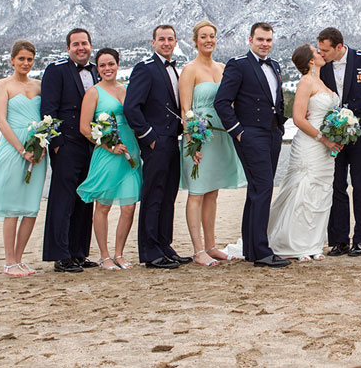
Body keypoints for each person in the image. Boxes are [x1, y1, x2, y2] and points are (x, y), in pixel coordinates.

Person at [214, 22, 289, 268]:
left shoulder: (275, 65)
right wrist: (238, 133)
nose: (265, 44)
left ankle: (251, 248)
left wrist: (280, 128)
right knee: (264, 187)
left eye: (268, 40)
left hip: (273, 134)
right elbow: (222, 102)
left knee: (258, 190)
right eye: (260, 39)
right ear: (250, 40)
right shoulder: (238, 65)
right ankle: (262, 251)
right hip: (251, 134)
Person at [0, 40, 46, 276]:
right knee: (13, 207)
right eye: (21, 59)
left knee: (31, 207)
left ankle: (20, 258)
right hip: (14, 150)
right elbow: (1, 121)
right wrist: (21, 149)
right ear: (12, 60)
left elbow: (47, 117)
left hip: (37, 153)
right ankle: (9, 261)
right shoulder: (3, 85)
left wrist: (41, 145)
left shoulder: (38, 85)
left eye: (30, 59)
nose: (26, 63)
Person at [178, 20, 246, 266]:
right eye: (204, 36)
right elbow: (185, 109)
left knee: (212, 193)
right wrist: (191, 141)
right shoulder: (190, 70)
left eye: (212, 36)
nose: (209, 40)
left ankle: (211, 245)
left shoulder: (223, 68)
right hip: (199, 138)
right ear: (195, 41)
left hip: (220, 135)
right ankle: (198, 251)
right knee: (197, 192)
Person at [123, 25, 189, 269]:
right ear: (153, 43)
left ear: (175, 42)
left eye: (170, 39)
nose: (166, 43)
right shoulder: (145, 69)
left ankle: (164, 245)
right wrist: (148, 136)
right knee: (153, 196)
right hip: (155, 143)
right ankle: (151, 252)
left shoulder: (175, 71)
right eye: (161, 39)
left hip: (173, 141)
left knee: (168, 195)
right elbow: (132, 107)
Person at [267, 44, 341, 261]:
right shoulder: (306, 82)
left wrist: (341, 130)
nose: (321, 53)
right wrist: (323, 138)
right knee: (304, 192)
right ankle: (294, 245)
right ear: (310, 60)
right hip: (311, 144)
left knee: (321, 194)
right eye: (317, 52)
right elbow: (298, 118)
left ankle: (313, 244)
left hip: (327, 148)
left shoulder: (322, 83)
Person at [318, 27, 361, 257]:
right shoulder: (321, 65)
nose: (321, 54)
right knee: (336, 186)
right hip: (334, 137)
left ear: (339, 47)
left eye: (325, 50)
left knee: (360, 186)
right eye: (320, 49)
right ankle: (338, 240)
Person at [76, 48, 141, 270]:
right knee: (103, 206)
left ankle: (119, 253)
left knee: (129, 207)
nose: (107, 69)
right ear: (97, 68)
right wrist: (108, 145)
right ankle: (105, 256)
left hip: (129, 152)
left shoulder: (126, 90)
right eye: (102, 65)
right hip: (107, 154)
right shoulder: (93, 93)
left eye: (111, 64)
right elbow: (85, 128)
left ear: (118, 64)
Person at [41, 28, 99, 272]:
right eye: (75, 44)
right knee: (62, 199)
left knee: (85, 198)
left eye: (84, 43)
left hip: (92, 143)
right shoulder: (56, 71)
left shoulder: (97, 71)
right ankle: (60, 254)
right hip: (66, 144)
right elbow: (48, 110)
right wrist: (55, 145)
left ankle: (79, 252)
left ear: (90, 45)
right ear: (68, 48)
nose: (81, 47)